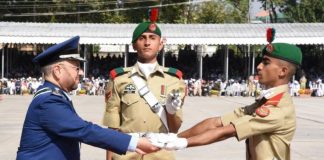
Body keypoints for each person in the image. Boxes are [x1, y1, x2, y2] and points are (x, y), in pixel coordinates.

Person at [149, 42, 303, 160]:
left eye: (266, 62)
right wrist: (175, 137)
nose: (259, 66)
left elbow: (227, 131)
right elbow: (216, 122)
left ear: (283, 71)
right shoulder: (265, 101)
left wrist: (183, 143)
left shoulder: (278, 108)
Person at [16, 36, 159, 160]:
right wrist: (134, 143)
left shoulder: (53, 96)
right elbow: (85, 130)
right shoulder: (48, 102)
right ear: (58, 71)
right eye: (76, 68)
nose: (81, 72)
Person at [103, 8, 186, 160]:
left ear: (161, 44)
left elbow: (175, 128)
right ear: (134, 45)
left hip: (161, 154)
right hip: (127, 154)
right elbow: (112, 130)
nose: (147, 42)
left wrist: (171, 111)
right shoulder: (119, 79)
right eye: (142, 38)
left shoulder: (174, 80)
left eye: (152, 38)